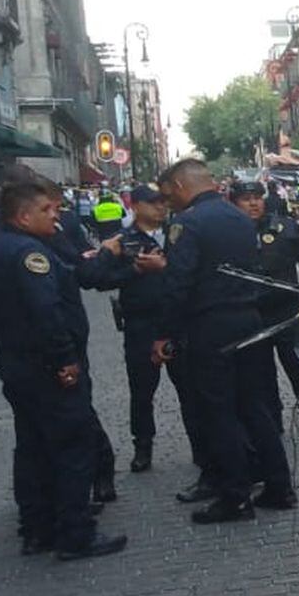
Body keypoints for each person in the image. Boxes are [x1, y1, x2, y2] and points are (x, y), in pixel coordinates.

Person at [0, 181, 127, 559]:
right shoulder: (29, 253)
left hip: (15, 363)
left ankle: (37, 528)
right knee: (72, 446)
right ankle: (76, 534)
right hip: (45, 367)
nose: (57, 216)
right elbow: (47, 311)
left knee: (32, 446)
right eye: (47, 210)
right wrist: (64, 358)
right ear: (24, 215)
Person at [154, 160, 293, 523]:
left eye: (170, 194)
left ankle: (236, 497)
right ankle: (279, 486)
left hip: (210, 325)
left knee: (219, 412)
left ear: (182, 186)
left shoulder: (188, 223)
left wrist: (165, 333)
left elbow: (179, 283)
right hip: (248, 319)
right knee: (255, 406)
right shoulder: (238, 218)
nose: (169, 203)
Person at [82, 185, 174, 472]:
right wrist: (133, 271)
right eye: (154, 203)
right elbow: (100, 279)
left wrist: (164, 267)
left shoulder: (178, 233)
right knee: (142, 390)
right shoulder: (123, 240)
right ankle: (143, 446)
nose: (161, 208)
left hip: (176, 320)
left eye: (163, 202)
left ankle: (203, 445)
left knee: (191, 386)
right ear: (135, 205)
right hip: (141, 323)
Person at [231, 179, 299, 430]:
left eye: (257, 198)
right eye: (246, 199)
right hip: (252, 315)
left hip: (287, 314)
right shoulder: (229, 232)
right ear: (234, 203)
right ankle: (270, 424)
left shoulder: (285, 227)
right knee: (260, 377)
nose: (253, 203)